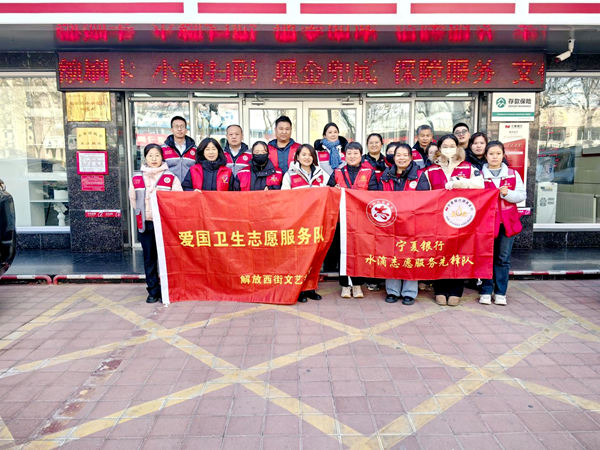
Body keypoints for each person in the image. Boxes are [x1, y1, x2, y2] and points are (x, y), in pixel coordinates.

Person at [417, 134, 484, 306]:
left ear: (458, 147)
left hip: (461, 220)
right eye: (445, 146)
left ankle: (455, 290)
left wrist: (461, 182)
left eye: (452, 146)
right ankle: (439, 289)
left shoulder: (468, 168)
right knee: (439, 254)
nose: (448, 149)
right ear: (439, 149)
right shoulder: (430, 171)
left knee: (459, 254)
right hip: (437, 221)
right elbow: (421, 195)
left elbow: (481, 186)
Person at [129, 144, 183, 304]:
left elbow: (178, 200)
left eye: (157, 155)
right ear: (145, 157)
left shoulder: (170, 177)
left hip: (166, 225)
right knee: (149, 259)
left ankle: (168, 290)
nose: (154, 159)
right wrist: (146, 213)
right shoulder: (137, 178)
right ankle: (153, 291)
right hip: (146, 224)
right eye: (150, 155)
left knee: (168, 258)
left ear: (162, 157)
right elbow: (133, 200)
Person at [281, 144, 334, 303]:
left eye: (310, 154)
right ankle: (299, 289)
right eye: (303, 154)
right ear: (297, 157)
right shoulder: (290, 174)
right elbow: (284, 197)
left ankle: (311, 288)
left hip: (316, 221)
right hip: (298, 220)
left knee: (314, 256)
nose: (307, 157)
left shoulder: (321, 174)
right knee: (299, 256)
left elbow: (330, 192)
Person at [480, 141, 526, 306]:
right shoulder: (479, 175)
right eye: (491, 154)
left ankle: (500, 292)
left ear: (503, 155)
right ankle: (486, 291)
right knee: (486, 257)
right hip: (486, 223)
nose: (494, 157)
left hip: (507, 223)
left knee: (503, 258)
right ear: (486, 156)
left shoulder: (512, 174)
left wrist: (508, 193)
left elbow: (521, 195)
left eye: (498, 153)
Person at [332, 142, 379, 299]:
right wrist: (334, 191)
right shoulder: (337, 172)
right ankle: (345, 285)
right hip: (342, 219)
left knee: (360, 251)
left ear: (361, 156)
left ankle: (358, 284)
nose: (352, 156)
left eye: (355, 153)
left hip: (362, 220)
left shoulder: (369, 172)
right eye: (349, 153)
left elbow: (374, 194)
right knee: (343, 252)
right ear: (344, 156)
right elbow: (328, 191)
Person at [379, 144, 420, 305]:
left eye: (405, 155)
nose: (401, 158)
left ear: (410, 157)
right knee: (392, 256)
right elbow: (377, 198)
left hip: (412, 223)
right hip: (390, 223)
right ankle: (392, 291)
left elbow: (425, 201)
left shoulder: (419, 176)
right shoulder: (386, 175)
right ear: (394, 157)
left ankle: (409, 292)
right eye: (398, 155)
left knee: (411, 256)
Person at [161, 116, 196, 183]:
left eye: (182, 126)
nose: (179, 129)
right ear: (171, 129)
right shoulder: (163, 149)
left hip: (189, 187)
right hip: (169, 185)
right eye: (176, 126)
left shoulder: (195, 149)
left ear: (186, 130)